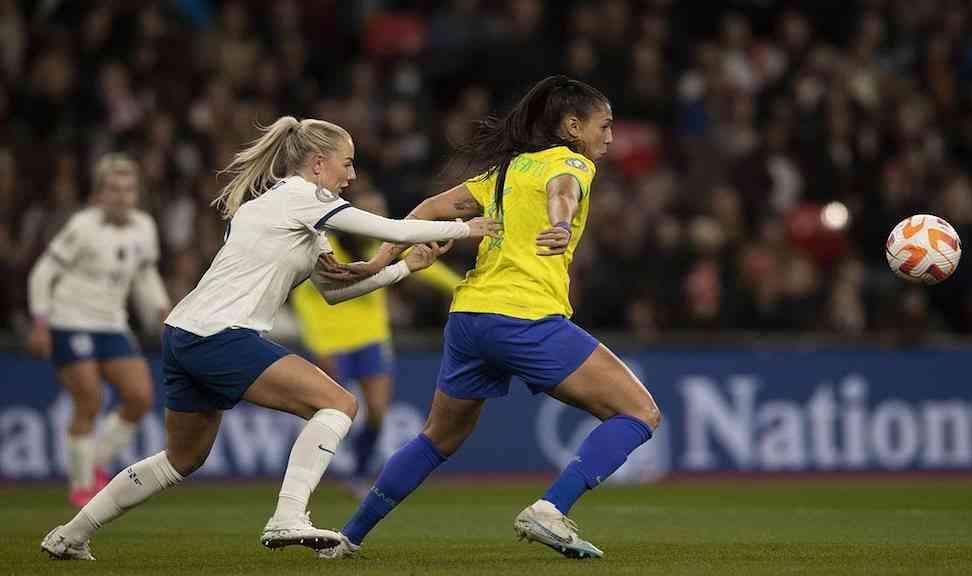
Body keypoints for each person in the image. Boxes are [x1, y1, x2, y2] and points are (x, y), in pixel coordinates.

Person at [41, 116, 499, 560]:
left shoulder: (281, 211)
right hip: (221, 335)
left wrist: (403, 268)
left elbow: (336, 291)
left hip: (185, 333)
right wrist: (466, 227)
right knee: (338, 404)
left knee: (181, 458)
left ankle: (70, 534)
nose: (352, 175)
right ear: (318, 163)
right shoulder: (304, 197)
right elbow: (392, 229)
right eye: (346, 163)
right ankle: (287, 516)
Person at [322, 75, 661, 561]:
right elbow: (563, 191)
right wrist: (561, 224)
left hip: (469, 318)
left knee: (437, 438)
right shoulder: (572, 162)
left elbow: (430, 209)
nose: (609, 137)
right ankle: (550, 509)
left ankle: (348, 537)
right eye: (603, 126)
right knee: (640, 412)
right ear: (572, 127)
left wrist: (379, 260)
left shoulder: (506, 171)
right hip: (524, 316)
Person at [290, 187, 461, 498]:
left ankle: (357, 473)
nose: (378, 218)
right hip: (330, 341)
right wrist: (316, 341)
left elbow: (428, 268)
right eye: (371, 212)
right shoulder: (325, 250)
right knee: (328, 410)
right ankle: (302, 477)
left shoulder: (380, 247)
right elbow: (302, 297)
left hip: (371, 339)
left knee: (378, 412)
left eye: (380, 212)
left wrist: (459, 285)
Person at [27, 153, 170, 508]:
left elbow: (145, 275)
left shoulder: (144, 226)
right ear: (100, 193)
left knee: (140, 397)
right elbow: (43, 273)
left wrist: (162, 310)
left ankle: (96, 464)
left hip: (112, 323)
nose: (122, 197)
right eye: (114, 189)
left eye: (128, 190)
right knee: (89, 400)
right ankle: (81, 485)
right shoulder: (82, 226)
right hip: (70, 319)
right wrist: (41, 322)